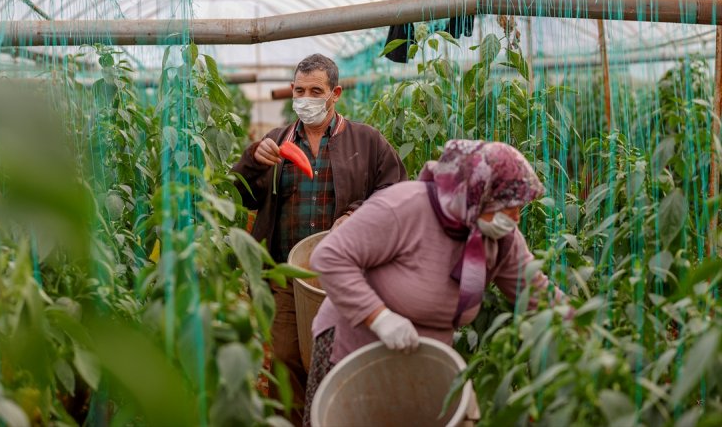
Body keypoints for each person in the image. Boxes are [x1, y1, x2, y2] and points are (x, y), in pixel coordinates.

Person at [304, 139, 565, 426]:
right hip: (356, 350)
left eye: (519, 207)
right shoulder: (406, 206)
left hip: (424, 363)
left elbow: (536, 291)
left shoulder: (500, 239)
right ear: (477, 192)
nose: (516, 217)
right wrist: (378, 317)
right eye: (507, 206)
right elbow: (329, 256)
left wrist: (588, 328)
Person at [231, 53, 407, 426]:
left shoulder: (367, 141)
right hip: (286, 276)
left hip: (344, 278)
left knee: (337, 359)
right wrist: (251, 160)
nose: (305, 98)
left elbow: (396, 193)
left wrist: (356, 214)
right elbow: (241, 194)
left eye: (315, 90)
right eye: (299, 90)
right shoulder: (276, 142)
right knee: (284, 359)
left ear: (335, 93)